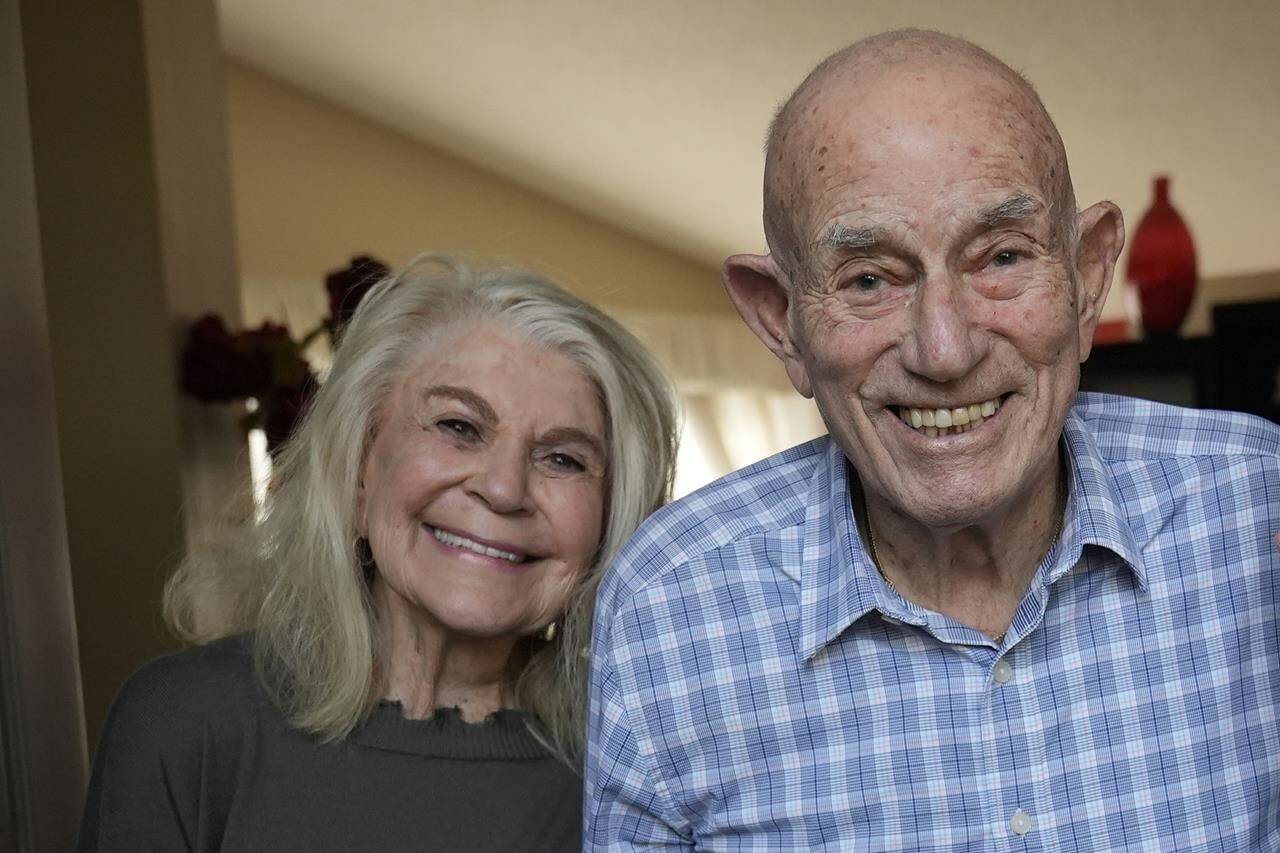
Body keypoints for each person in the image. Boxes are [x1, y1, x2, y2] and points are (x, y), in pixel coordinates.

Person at [585, 29, 1280, 849]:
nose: (944, 351)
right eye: (870, 278)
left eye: (1001, 257)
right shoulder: (672, 608)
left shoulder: (1256, 511)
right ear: (781, 323)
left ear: (1088, 280)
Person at [79, 255, 679, 851]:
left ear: (609, 523)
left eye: (564, 460)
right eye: (459, 427)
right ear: (360, 471)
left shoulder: (641, 770)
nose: (503, 490)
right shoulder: (184, 721)